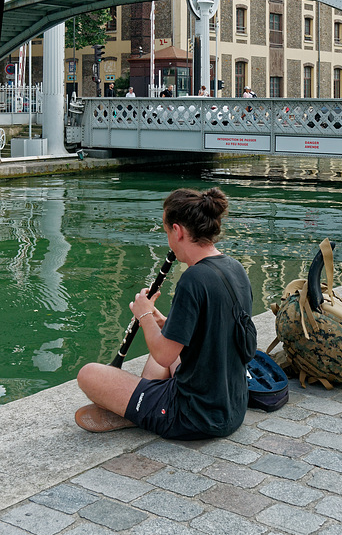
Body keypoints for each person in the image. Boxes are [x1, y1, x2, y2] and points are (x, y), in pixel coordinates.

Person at [75, 187, 255, 440]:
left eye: (166, 232)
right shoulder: (234, 267)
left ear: (178, 231)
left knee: (89, 375)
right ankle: (141, 402)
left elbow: (163, 356)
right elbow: (214, 331)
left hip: (192, 416)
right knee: (166, 343)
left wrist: (145, 315)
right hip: (231, 408)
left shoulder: (193, 278)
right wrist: (164, 322)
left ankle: (139, 410)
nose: (168, 241)